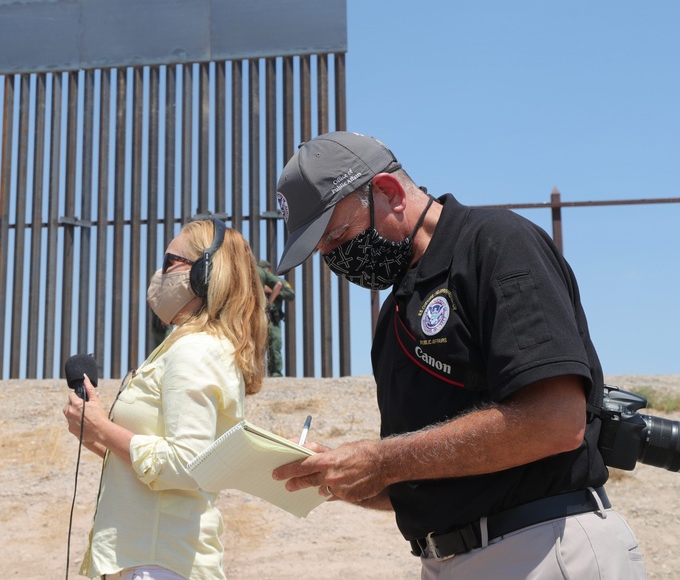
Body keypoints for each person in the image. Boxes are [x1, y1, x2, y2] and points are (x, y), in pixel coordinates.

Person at [270, 131, 645, 579]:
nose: (333, 258)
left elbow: (557, 421)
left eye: (336, 236)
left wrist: (383, 459)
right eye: (321, 252)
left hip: (543, 547)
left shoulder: (497, 246)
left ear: (388, 193)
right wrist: (343, 476)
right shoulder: (394, 317)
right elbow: (424, 472)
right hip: (449, 561)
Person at [63, 219, 268, 580]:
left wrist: (104, 430)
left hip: (158, 563)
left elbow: (187, 465)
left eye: (171, 261)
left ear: (205, 274)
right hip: (149, 558)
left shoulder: (195, 351)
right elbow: (160, 459)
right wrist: (96, 435)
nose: (160, 272)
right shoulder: (185, 346)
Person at [257, 259, 294, 376]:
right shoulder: (256, 281)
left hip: (272, 318)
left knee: (275, 344)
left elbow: (290, 294)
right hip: (258, 317)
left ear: (268, 270)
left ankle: (276, 373)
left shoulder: (277, 281)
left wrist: (274, 291)